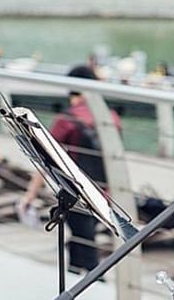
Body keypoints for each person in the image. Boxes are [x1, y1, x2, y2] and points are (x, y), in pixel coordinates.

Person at [18, 65, 122, 272]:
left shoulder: (67, 119)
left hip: (77, 191)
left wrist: (30, 194)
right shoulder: (111, 117)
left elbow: (44, 159)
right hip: (106, 190)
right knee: (82, 237)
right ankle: (75, 273)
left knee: (85, 242)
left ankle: (91, 280)